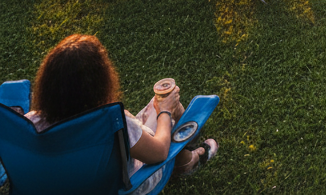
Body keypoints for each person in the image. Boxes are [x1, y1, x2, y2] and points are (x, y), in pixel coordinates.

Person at [25, 34, 218, 185]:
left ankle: (185, 143)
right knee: (164, 107)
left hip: (61, 183)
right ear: (100, 82)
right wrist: (165, 112)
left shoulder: (31, 123)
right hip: (125, 184)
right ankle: (188, 158)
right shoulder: (113, 122)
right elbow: (158, 153)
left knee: (155, 106)